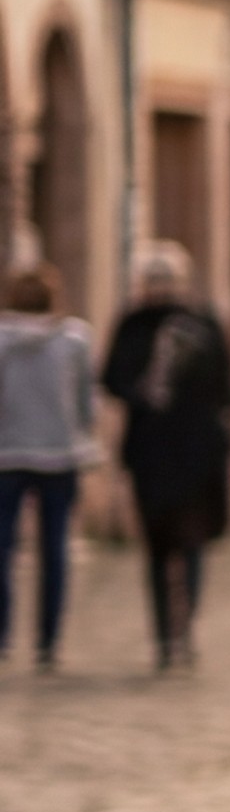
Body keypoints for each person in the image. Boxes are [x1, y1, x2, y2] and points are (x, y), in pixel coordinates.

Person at [101, 242, 230, 671]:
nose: (159, 288)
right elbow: (113, 380)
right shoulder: (138, 324)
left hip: (188, 452)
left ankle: (179, 629)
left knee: (185, 544)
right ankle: (169, 634)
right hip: (159, 453)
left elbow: (226, 388)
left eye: (164, 280)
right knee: (164, 546)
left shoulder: (201, 324)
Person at [0, 263, 89, 670]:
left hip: (7, 455)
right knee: (55, 550)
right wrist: (82, 434)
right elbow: (86, 400)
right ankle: (47, 642)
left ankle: (3, 636)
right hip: (59, 455)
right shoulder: (74, 340)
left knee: (4, 551)